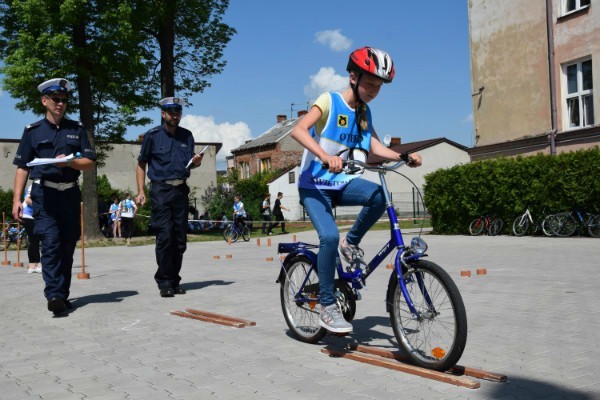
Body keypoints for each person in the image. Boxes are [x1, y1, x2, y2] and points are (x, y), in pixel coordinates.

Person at [290, 47, 422, 333]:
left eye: (379, 86)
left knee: (378, 196)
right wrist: (325, 157)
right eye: (370, 83)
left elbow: (374, 147)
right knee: (328, 236)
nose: (374, 90)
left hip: (342, 183)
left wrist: (403, 156)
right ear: (353, 77)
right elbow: (298, 131)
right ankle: (326, 307)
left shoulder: (365, 112)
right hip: (314, 186)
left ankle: (351, 244)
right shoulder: (330, 101)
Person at [11, 78, 96, 316]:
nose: (60, 104)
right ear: (44, 101)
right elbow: (22, 167)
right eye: (56, 100)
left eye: (64, 100)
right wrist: (17, 199)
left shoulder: (76, 129)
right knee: (50, 243)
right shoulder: (33, 131)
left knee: (68, 245)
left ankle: (62, 293)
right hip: (44, 195)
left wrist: (69, 161)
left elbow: (89, 163)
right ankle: (54, 294)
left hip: (69, 193)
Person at [136, 97, 203, 298]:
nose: (175, 115)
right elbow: (141, 164)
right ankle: (164, 281)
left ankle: (175, 280)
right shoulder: (152, 136)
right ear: (163, 114)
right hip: (161, 191)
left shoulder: (187, 136)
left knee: (180, 240)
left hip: (181, 191)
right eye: (171, 112)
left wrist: (197, 162)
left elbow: (190, 164)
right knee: (165, 238)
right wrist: (141, 191)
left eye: (178, 112)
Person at [21, 184, 42, 274]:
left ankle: (32, 265)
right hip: (28, 215)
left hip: (34, 216)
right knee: (34, 239)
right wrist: (41, 208)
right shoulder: (34, 186)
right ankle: (38, 264)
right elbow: (28, 199)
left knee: (33, 240)